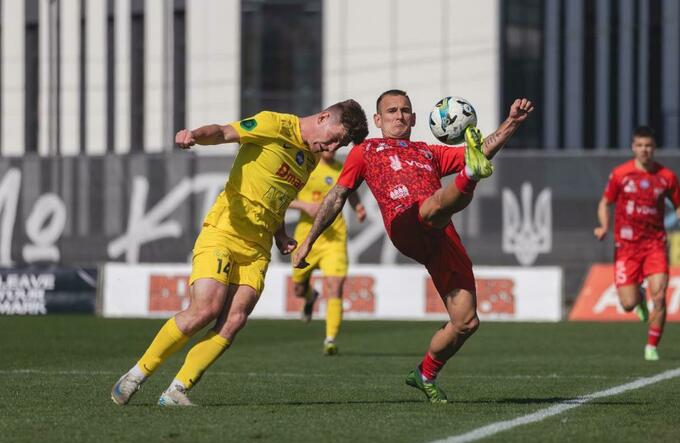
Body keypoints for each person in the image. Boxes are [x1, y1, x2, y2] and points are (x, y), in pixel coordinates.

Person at [111, 100, 368, 406]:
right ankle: (136, 375)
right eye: (335, 138)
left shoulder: (310, 158)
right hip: (224, 230)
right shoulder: (274, 124)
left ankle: (177, 390)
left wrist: (280, 235)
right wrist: (194, 135)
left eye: (340, 145)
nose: (333, 147)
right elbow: (223, 132)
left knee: (234, 320)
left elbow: (278, 197)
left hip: (257, 247)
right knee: (205, 309)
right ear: (324, 117)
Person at [293, 89, 533, 403]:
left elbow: (482, 148)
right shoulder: (365, 151)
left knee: (466, 322)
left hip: (442, 236)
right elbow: (337, 196)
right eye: (391, 111)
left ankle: (424, 374)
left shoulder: (428, 152)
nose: (399, 116)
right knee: (432, 207)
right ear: (378, 119)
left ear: (415, 118)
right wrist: (308, 241)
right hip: (405, 222)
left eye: (405, 110)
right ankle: (470, 176)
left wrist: (512, 122)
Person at [594, 126, 680, 361]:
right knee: (628, 303)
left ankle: (652, 345)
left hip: (655, 245)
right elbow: (605, 203)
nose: (644, 150)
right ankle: (639, 298)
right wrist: (604, 226)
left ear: (654, 148)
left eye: (648, 146)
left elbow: (678, 204)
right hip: (626, 247)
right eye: (640, 145)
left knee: (659, 296)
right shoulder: (621, 174)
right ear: (633, 147)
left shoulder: (667, 177)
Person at [288, 148, 366, 355]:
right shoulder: (305, 166)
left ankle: (330, 339)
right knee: (298, 288)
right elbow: (285, 196)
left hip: (335, 238)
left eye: (335, 145)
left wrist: (358, 206)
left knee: (335, 285)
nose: (331, 148)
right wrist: (304, 206)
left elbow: (350, 190)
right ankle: (309, 296)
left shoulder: (341, 169)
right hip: (306, 236)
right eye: (328, 144)